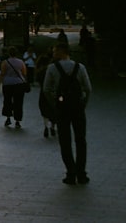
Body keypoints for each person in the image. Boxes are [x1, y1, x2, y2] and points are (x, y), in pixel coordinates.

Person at [43, 42, 92, 185]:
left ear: (61, 51)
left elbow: (46, 89)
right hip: (78, 107)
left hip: (62, 108)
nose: (53, 53)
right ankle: (82, 173)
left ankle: (70, 173)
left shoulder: (52, 68)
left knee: (65, 141)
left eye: (54, 50)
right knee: (81, 140)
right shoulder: (80, 67)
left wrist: (55, 103)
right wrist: (84, 103)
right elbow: (88, 88)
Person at [0, 45, 28, 129]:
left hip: (7, 84)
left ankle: (8, 118)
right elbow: (24, 73)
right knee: (18, 102)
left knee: (7, 101)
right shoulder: (21, 62)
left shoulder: (5, 62)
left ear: (9, 53)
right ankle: (17, 121)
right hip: (19, 84)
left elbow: (2, 73)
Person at [35, 48, 56, 138]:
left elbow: (38, 81)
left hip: (43, 93)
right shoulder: (53, 70)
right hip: (53, 92)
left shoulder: (41, 72)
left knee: (44, 110)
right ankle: (53, 126)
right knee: (54, 109)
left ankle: (46, 126)